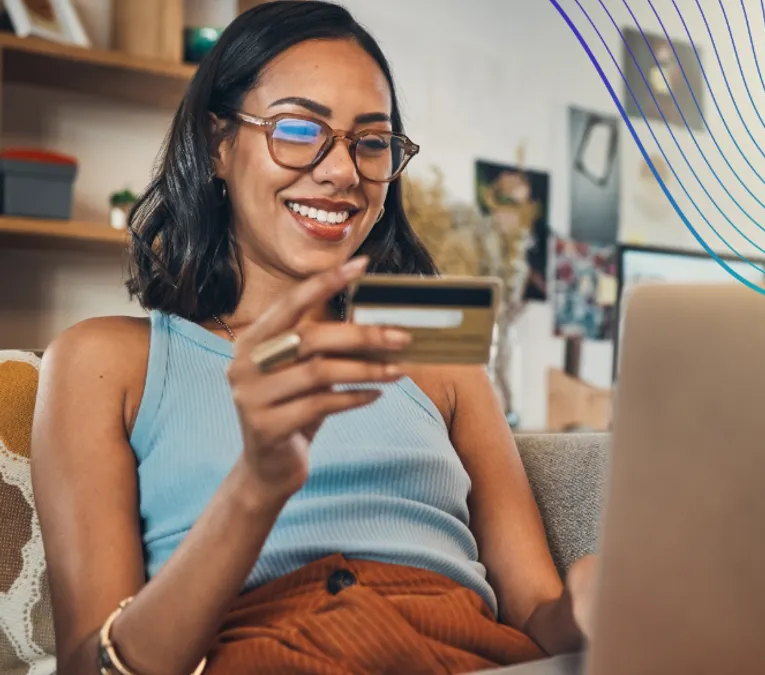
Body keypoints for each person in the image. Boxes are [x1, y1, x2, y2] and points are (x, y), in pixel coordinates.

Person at [30, 2, 595, 673]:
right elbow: (93, 665)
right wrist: (257, 484)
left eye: (372, 141)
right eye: (299, 129)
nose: (343, 171)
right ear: (216, 145)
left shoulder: (435, 356)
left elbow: (536, 613)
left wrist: (589, 607)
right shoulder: (105, 363)